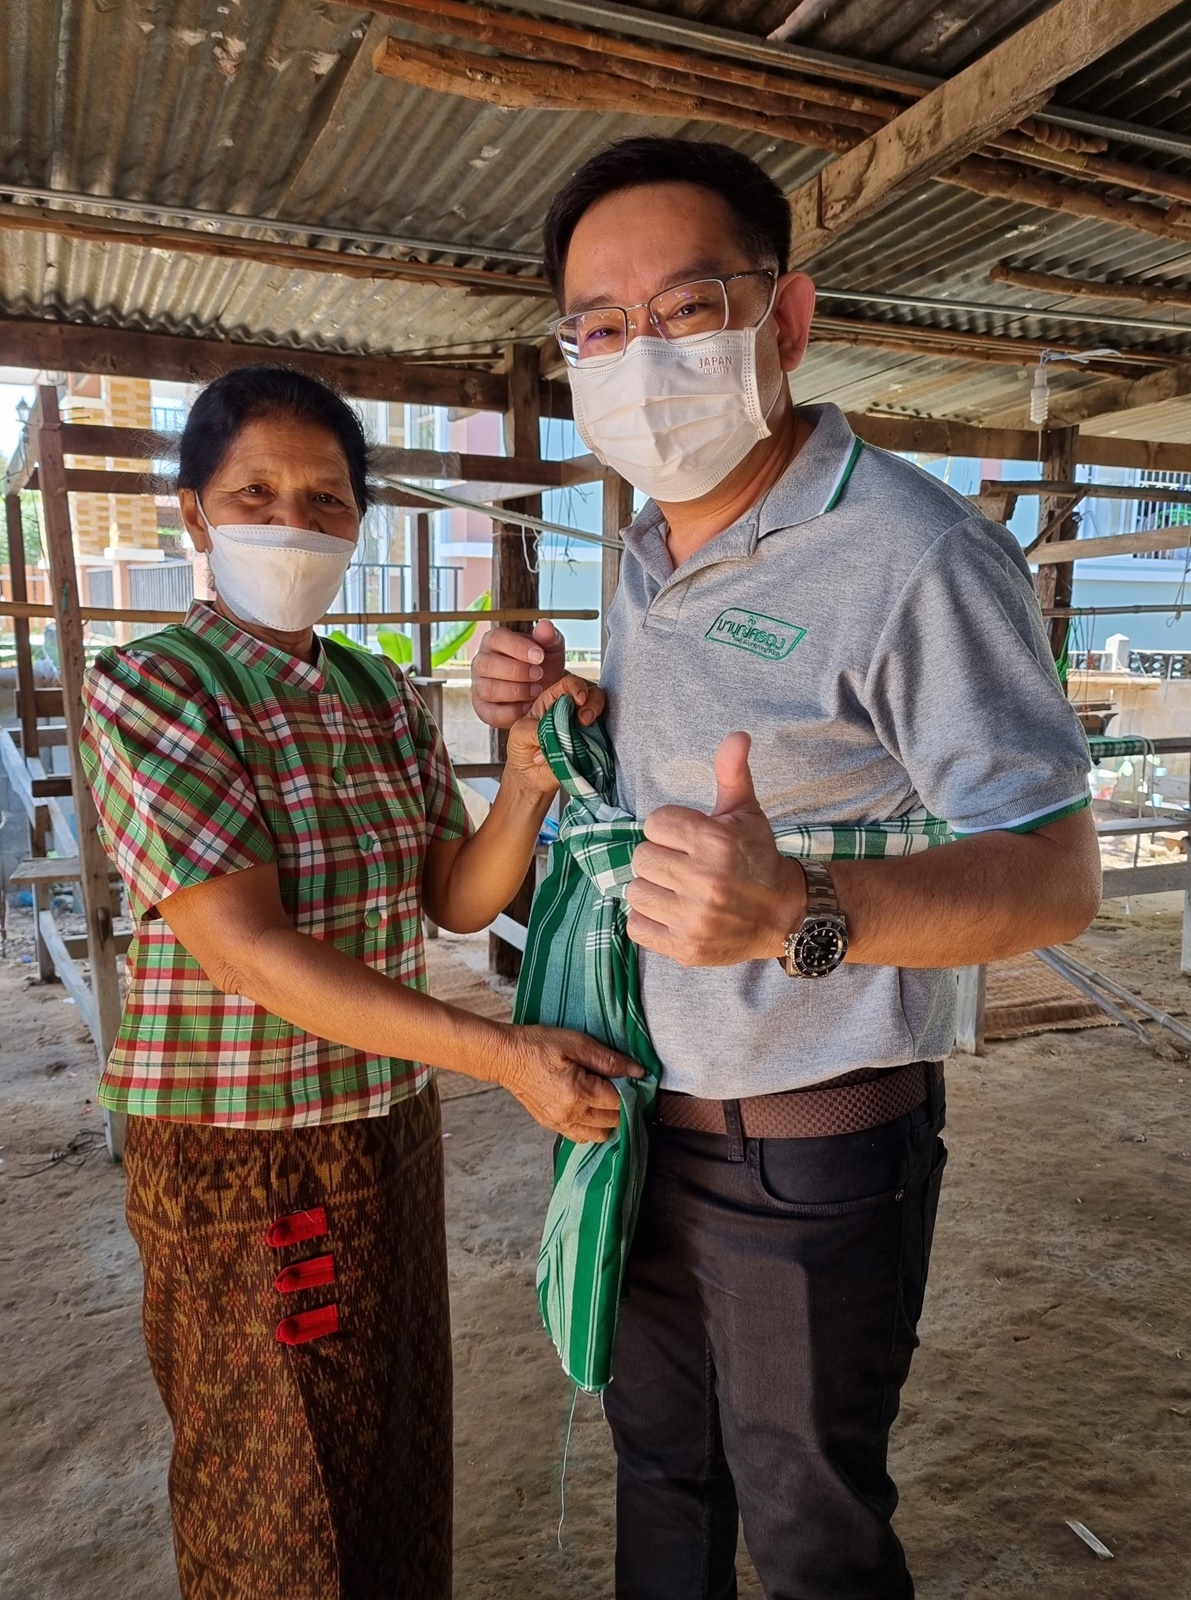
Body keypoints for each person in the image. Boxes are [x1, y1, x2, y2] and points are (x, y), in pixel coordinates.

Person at [472, 138, 1100, 1599]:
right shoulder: (641, 546)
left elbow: (1054, 872)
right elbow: (718, 759)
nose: (639, 358)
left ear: (787, 320)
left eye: (685, 312)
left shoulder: (911, 552)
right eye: (599, 327)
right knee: (659, 1473)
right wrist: (575, 720)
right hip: (631, 1106)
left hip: (807, 1145)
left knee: (809, 1521)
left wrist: (805, 912)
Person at [80, 364, 640, 1600]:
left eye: (327, 500)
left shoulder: (381, 691)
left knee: (392, 1446)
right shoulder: (155, 685)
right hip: (238, 1153)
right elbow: (244, 949)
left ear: (358, 521)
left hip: (384, 1130)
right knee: (273, 1487)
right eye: (256, 493)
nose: (294, 521)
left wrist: (530, 779)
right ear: (194, 514)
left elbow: (455, 894)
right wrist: (504, 1052)